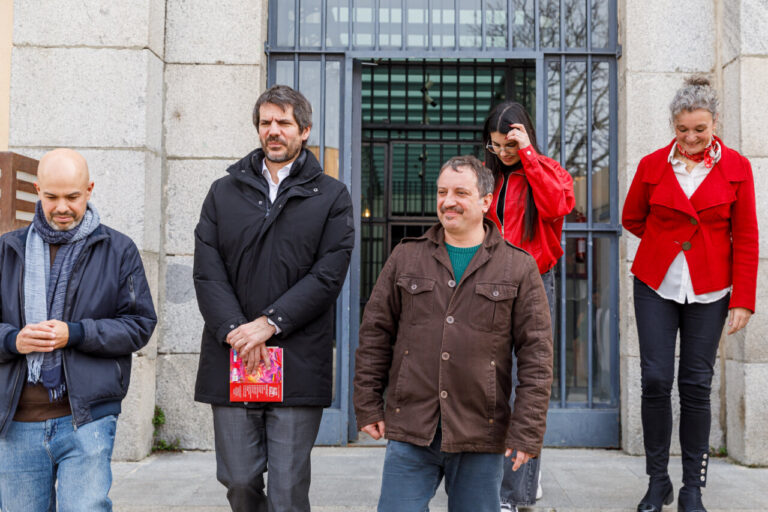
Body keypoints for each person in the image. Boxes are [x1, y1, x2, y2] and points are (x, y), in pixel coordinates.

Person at [354, 155, 553, 512]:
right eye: (442, 192)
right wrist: (367, 404)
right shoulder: (406, 256)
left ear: (486, 201)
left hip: (480, 432)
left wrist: (527, 431)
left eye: (461, 192)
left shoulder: (519, 266)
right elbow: (375, 334)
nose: (448, 201)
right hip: (412, 426)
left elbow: (537, 357)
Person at [193, 84, 354, 512]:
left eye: (283, 122)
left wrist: (269, 324)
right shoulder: (222, 193)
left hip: (297, 358)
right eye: (266, 122)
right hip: (235, 355)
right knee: (239, 479)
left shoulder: (332, 197)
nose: (273, 130)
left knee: (287, 490)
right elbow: (208, 272)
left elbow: (327, 275)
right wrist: (238, 332)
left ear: (305, 130)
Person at [622, 77, 758, 512]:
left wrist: (743, 298)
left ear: (714, 122)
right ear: (673, 126)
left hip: (711, 289)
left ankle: (692, 489)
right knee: (655, 380)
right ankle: (657, 481)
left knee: (696, 385)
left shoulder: (737, 168)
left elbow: (746, 236)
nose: (691, 137)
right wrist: (666, 244)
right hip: (655, 284)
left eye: (700, 128)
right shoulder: (651, 165)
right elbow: (632, 217)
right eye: (683, 129)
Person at [0, 148, 157, 511]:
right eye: (51, 197)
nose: (62, 207)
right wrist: (13, 340)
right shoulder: (7, 250)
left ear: (89, 189)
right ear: (38, 190)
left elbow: (139, 325)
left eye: (72, 197)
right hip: (16, 422)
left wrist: (76, 333)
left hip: (86, 419)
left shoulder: (119, 250)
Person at [482, 101, 575, 511]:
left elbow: (557, 206)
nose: (503, 153)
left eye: (510, 144)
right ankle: (515, 481)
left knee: (528, 384)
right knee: (491, 382)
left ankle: (511, 493)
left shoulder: (549, 171)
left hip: (536, 281)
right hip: (489, 285)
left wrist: (529, 157)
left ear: (525, 138)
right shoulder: (486, 177)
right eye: (496, 145)